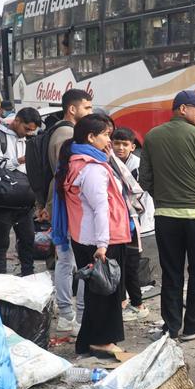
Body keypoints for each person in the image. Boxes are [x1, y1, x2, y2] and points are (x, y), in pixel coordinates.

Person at [141, 90, 195, 341]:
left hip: (165, 216)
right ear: (183, 109)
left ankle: (171, 328)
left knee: (171, 273)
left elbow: (145, 180)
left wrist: (163, 197)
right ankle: (193, 327)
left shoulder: (152, 136)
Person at [53, 114, 132, 359]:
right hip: (99, 238)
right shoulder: (93, 168)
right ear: (90, 137)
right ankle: (103, 342)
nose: (109, 140)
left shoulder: (74, 162)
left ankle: (87, 341)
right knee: (106, 294)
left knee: (96, 291)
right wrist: (103, 244)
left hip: (83, 236)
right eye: (106, 135)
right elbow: (101, 208)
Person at [40, 88, 94, 333]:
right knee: (75, 260)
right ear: (73, 109)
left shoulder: (58, 129)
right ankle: (72, 314)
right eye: (87, 108)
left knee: (66, 260)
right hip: (69, 206)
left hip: (62, 204)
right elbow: (69, 175)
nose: (90, 112)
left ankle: (68, 313)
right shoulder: (67, 134)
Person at [0, 107, 42, 276]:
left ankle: (28, 274)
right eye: (26, 129)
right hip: (3, 198)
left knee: (28, 238)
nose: (28, 133)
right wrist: (20, 160)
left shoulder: (28, 139)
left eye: (32, 130)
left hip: (25, 198)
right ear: (17, 121)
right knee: (1, 241)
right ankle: (0, 278)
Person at [111, 127, 152, 322]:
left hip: (133, 222)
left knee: (131, 265)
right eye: (116, 143)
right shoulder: (109, 162)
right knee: (119, 264)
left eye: (124, 144)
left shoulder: (137, 165)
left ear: (132, 146)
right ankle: (122, 302)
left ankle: (138, 304)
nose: (120, 148)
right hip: (117, 221)